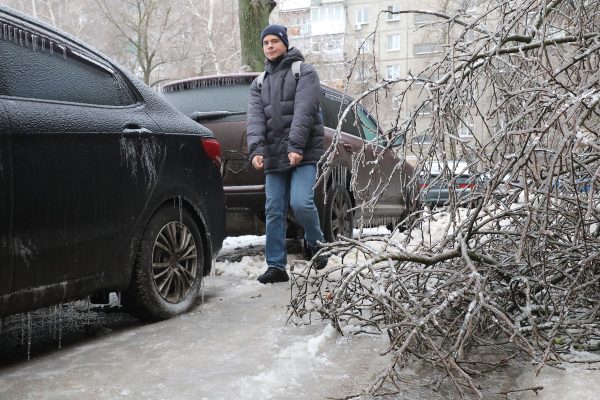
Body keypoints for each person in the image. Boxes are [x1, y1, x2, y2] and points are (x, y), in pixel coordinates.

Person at [247, 24, 328, 284]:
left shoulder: (304, 72)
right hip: (273, 153)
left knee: (301, 202)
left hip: (303, 151)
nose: (269, 46)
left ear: (285, 43)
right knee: (273, 210)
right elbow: (256, 119)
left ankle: (316, 243)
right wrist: (256, 149)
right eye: (265, 42)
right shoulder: (259, 83)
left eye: (274, 41)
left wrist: (295, 146)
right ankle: (276, 266)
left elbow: (305, 110)